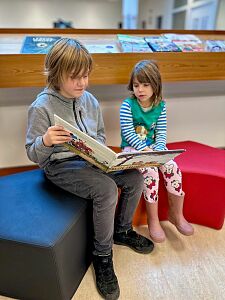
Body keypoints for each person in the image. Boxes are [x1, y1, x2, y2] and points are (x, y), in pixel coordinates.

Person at [25, 38, 154, 300]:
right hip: (60, 166)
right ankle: (102, 256)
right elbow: (33, 154)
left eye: (85, 76)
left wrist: (102, 154)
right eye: (74, 77)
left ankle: (122, 230)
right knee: (106, 189)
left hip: (91, 162)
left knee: (133, 177)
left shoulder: (90, 101)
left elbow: (100, 135)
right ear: (56, 73)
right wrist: (46, 141)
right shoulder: (41, 107)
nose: (82, 83)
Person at [120, 59, 194, 243]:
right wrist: (144, 150)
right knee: (150, 172)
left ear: (156, 86)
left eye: (146, 85)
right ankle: (153, 220)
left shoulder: (160, 106)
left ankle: (176, 214)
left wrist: (159, 152)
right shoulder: (127, 106)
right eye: (136, 85)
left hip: (154, 148)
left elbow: (161, 133)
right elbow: (129, 133)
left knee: (172, 168)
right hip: (133, 147)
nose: (140, 90)